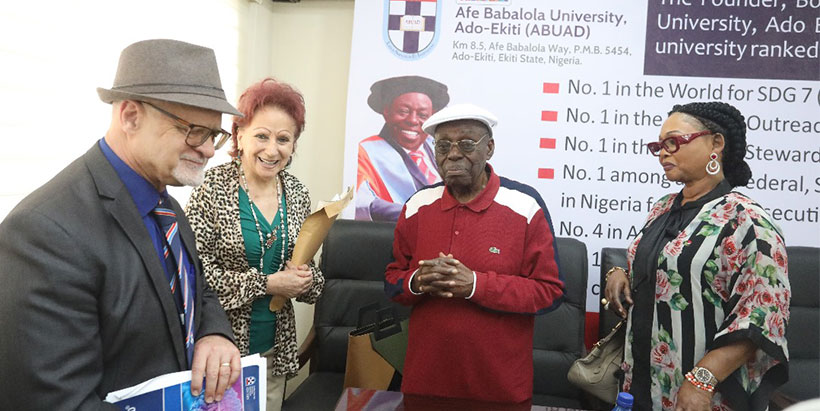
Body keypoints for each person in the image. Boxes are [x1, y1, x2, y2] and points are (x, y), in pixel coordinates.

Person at [0, 39, 241, 408]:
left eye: (214, 135)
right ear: (130, 116)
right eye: (194, 130)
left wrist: (214, 332)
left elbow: (196, 289)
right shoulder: (44, 233)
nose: (208, 150)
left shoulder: (169, 208)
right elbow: (57, 401)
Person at [603, 102, 790, 410]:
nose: (663, 153)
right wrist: (621, 273)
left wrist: (702, 380)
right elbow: (670, 267)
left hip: (704, 395)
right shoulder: (663, 207)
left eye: (673, 142)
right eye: (659, 146)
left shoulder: (747, 220)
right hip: (641, 383)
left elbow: (762, 316)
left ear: (716, 143)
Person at [384, 103, 565, 403]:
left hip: (499, 389)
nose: (453, 154)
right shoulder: (417, 204)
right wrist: (417, 281)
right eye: (443, 146)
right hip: (424, 383)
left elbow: (550, 292)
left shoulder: (525, 205)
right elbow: (392, 281)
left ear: (489, 148)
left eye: (467, 144)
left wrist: (476, 285)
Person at [185, 78, 324, 411]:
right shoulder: (210, 188)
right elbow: (196, 277)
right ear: (240, 135)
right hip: (220, 350)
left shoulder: (298, 193)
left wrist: (305, 280)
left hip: (275, 351)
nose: (272, 150)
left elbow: (312, 280)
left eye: (283, 139)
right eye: (262, 135)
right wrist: (267, 284)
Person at [356, 75, 450, 221]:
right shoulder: (366, 151)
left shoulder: (439, 148)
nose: (412, 120)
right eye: (403, 111)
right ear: (387, 112)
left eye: (422, 115)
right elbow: (363, 203)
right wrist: (418, 214)